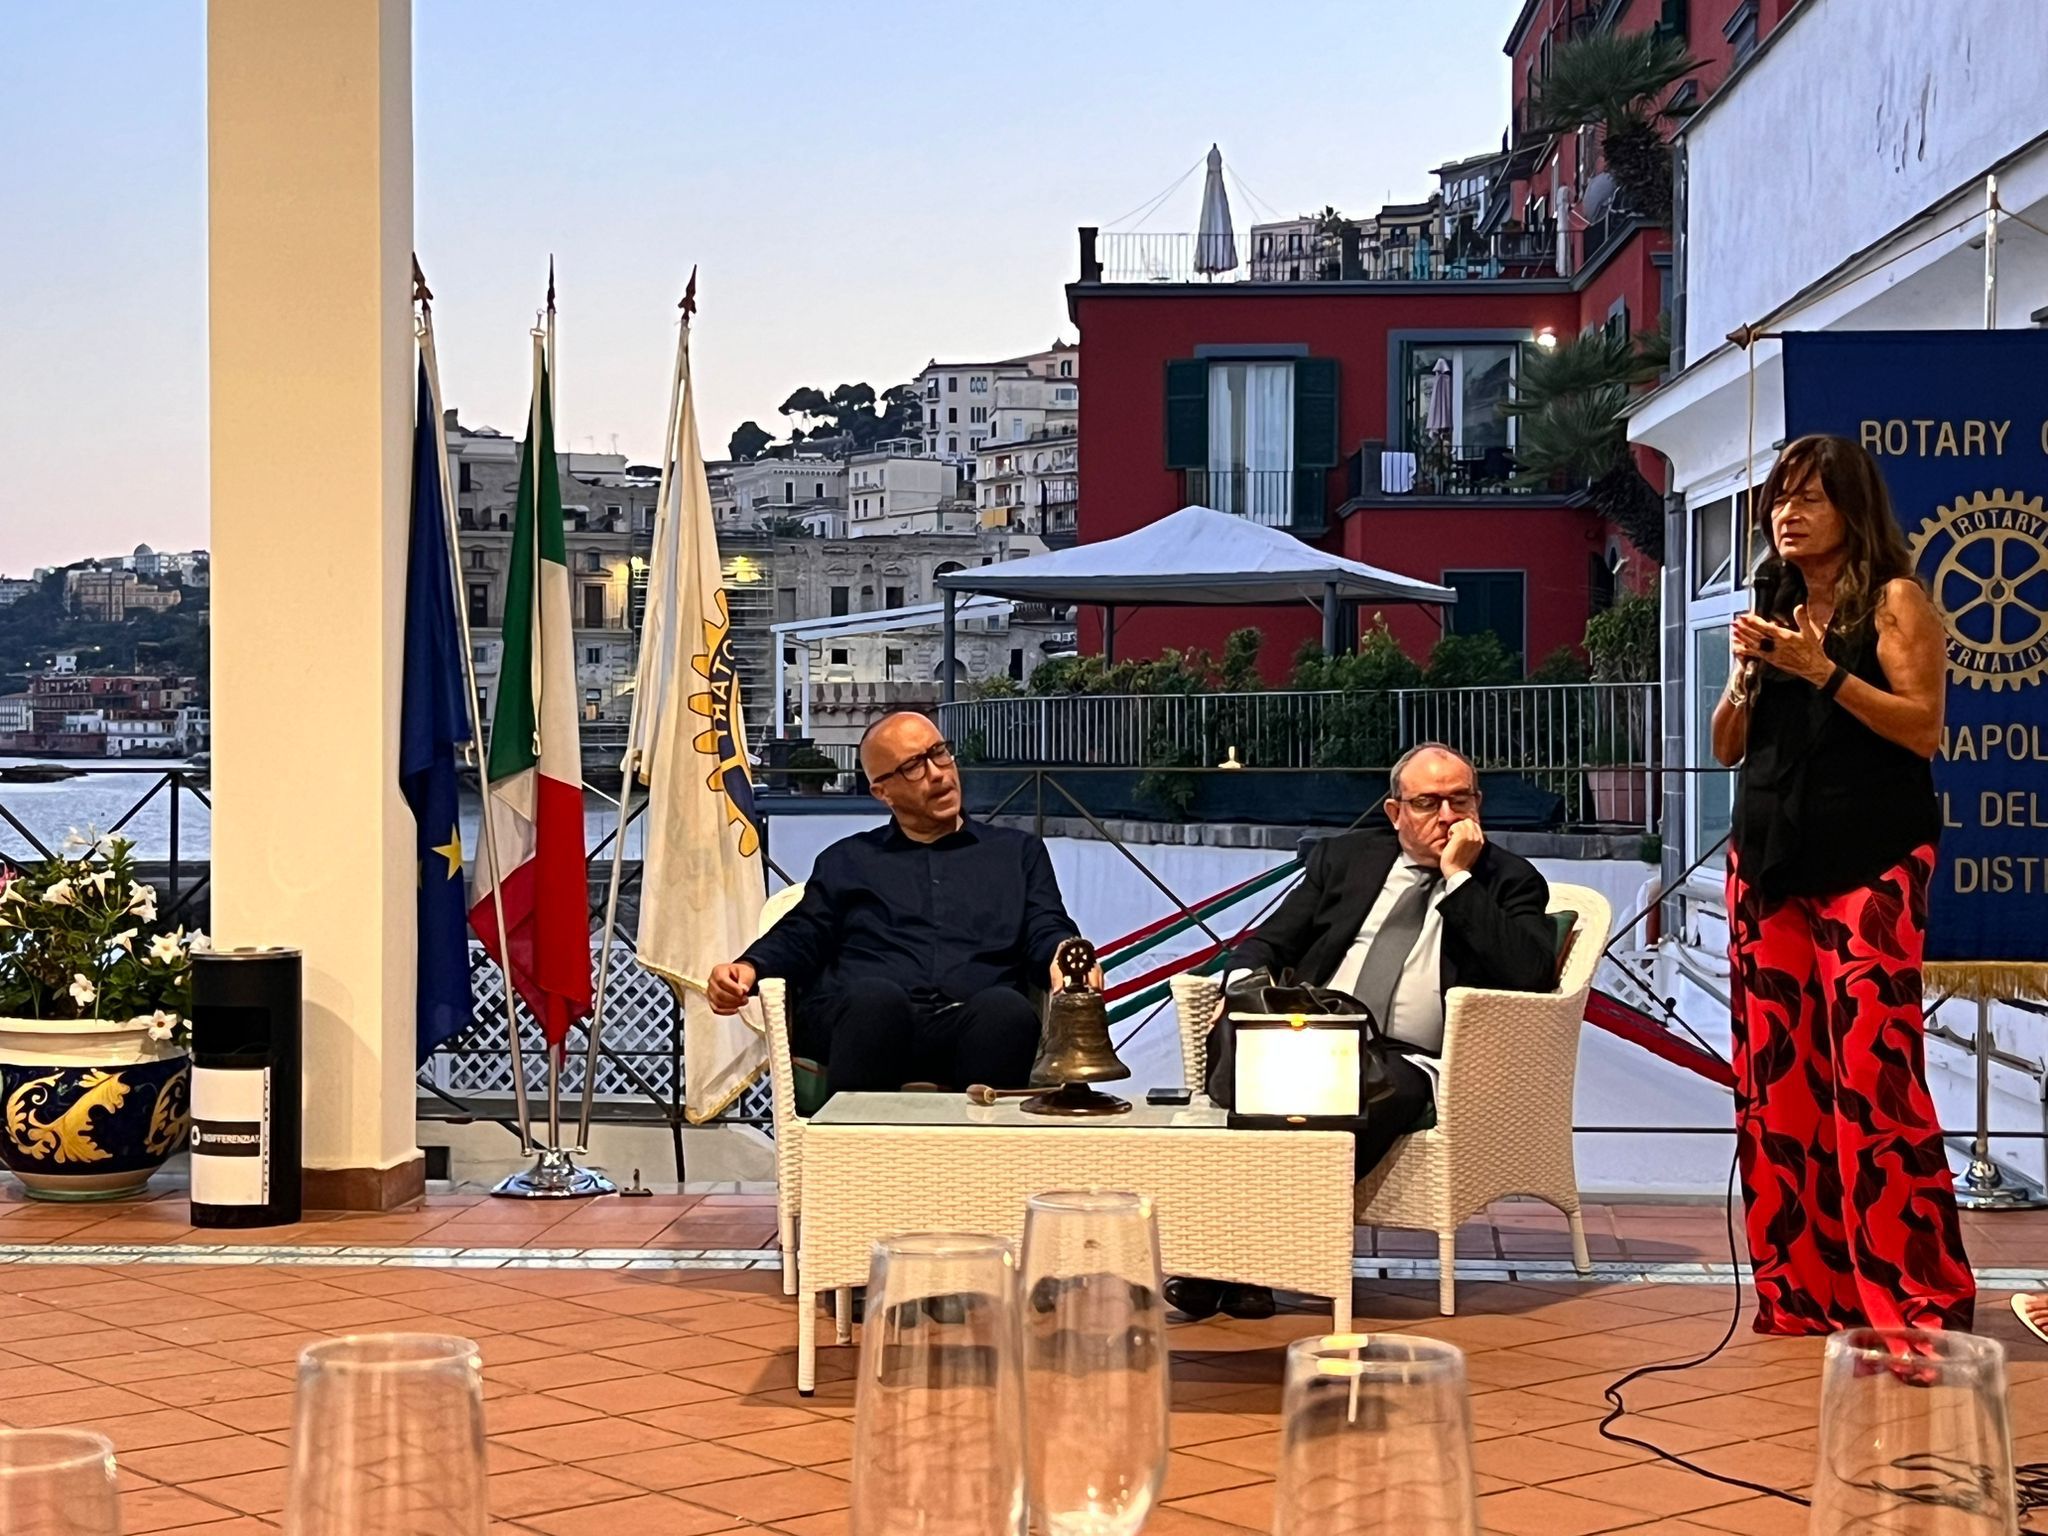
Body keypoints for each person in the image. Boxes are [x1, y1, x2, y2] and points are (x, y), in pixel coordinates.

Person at [1715, 432, 1972, 1335]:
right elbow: (1726, 747)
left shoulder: (1895, 601)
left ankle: (1914, 1296)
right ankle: (1805, 1292)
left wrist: (1821, 671)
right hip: (1770, 862)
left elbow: (1922, 729)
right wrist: (1748, 675)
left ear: (1852, 509)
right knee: (1777, 1086)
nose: (1788, 515)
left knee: (1872, 1077)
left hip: (1872, 856)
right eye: (1780, 499)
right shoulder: (1771, 602)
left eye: (1810, 498)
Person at [1166, 742, 1559, 1321]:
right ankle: (1253, 1265)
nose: (1447, 816)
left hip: (1409, 1057)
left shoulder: (1509, 880)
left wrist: (1459, 881)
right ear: (1395, 812)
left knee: (1368, 1092)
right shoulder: (1346, 860)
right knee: (1263, 1067)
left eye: (1460, 800)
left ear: (1479, 804)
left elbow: (1529, 975)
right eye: (1427, 803)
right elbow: (1270, 940)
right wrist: (1241, 985)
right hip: (1311, 1033)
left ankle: (1234, 1263)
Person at [706, 711, 1084, 1096]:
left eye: (939, 753)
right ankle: (858, 1136)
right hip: (863, 1026)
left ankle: (980, 1136)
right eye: (913, 767)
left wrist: (1066, 955)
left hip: (970, 1026)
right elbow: (804, 932)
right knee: (877, 1001)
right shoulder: (849, 860)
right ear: (882, 792)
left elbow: (1046, 925)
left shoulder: (1017, 854)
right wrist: (749, 967)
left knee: (1006, 1010)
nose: (937, 774)